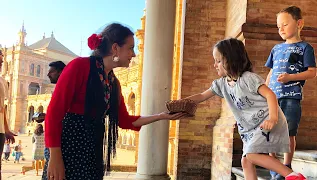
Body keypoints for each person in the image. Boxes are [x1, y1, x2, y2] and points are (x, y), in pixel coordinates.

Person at [45, 23, 187, 180]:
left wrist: (162, 116)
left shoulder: (112, 82)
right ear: (115, 48)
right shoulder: (79, 66)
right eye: (131, 48)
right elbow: (54, 113)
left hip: (91, 152)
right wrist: (55, 156)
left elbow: (125, 121)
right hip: (67, 148)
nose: (133, 54)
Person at [177, 38, 306, 180]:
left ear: (231, 60)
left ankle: (293, 176)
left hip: (266, 121)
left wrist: (273, 118)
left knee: (252, 155)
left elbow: (270, 95)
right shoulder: (222, 84)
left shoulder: (248, 78)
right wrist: (180, 103)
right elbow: (202, 95)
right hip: (249, 129)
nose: (215, 65)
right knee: (246, 161)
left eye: (218, 61)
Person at [265, 6, 317, 179]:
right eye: (278, 26)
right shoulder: (276, 49)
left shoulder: (305, 48)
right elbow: (270, 73)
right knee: (270, 132)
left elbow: (312, 72)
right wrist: (264, 93)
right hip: (273, 98)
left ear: (299, 24)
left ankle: (287, 166)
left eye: (285, 24)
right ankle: (275, 167)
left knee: (289, 132)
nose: (280, 29)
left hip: (291, 98)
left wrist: (290, 77)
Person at [42, 61, 65, 180]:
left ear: (61, 72)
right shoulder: (60, 88)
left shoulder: (65, 89)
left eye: (52, 71)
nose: (48, 74)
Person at [0, 49, 15, 179]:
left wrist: (6, 129)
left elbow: (2, 109)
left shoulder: (2, 81)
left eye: (1, 61)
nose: (0, 64)